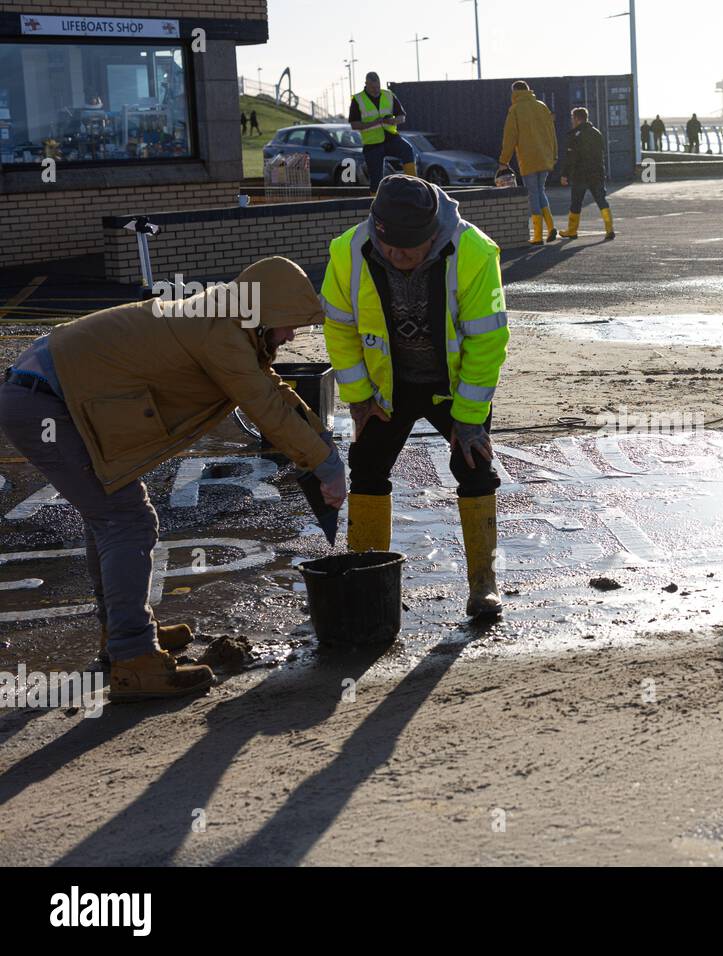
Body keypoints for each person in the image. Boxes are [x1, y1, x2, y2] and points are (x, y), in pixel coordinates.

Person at [0, 258, 344, 700]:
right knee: (126, 519)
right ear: (265, 314)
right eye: (290, 325)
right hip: (44, 405)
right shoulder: (220, 333)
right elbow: (264, 404)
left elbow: (274, 389)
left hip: (44, 395)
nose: (293, 336)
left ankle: (125, 633)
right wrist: (326, 466)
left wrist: (323, 446)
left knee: (111, 515)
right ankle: (134, 660)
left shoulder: (225, 319)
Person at [320, 175, 509, 620]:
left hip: (453, 384)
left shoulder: (476, 253)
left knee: (474, 464)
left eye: (410, 249)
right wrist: (359, 397)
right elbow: (340, 329)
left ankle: (484, 584)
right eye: (390, 248)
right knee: (366, 466)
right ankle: (364, 582)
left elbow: (488, 341)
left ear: (433, 236)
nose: (398, 257)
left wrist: (468, 418)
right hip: (389, 388)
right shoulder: (347, 251)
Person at [497, 80, 559, 245]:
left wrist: (504, 160)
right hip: (545, 156)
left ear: (514, 92)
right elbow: (552, 133)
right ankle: (551, 226)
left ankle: (538, 235)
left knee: (533, 194)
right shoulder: (542, 106)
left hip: (528, 158)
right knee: (540, 191)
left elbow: (510, 137)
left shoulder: (515, 110)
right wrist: (554, 154)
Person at [348, 71, 416, 193]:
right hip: (372, 144)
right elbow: (354, 124)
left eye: (378, 86)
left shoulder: (388, 95)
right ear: (366, 84)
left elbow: (402, 117)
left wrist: (394, 121)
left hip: (391, 138)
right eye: (373, 87)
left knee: (407, 150)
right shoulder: (358, 99)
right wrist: (374, 123)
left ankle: (414, 186)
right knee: (376, 178)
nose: (376, 90)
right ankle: (374, 205)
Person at [558, 107, 614, 240]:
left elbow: (570, 157)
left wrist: (565, 174)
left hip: (580, 174)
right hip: (597, 173)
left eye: (573, 118)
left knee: (576, 203)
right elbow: (602, 154)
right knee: (601, 200)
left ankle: (572, 231)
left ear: (577, 119)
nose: (572, 121)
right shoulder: (597, 133)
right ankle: (609, 229)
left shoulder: (574, 135)